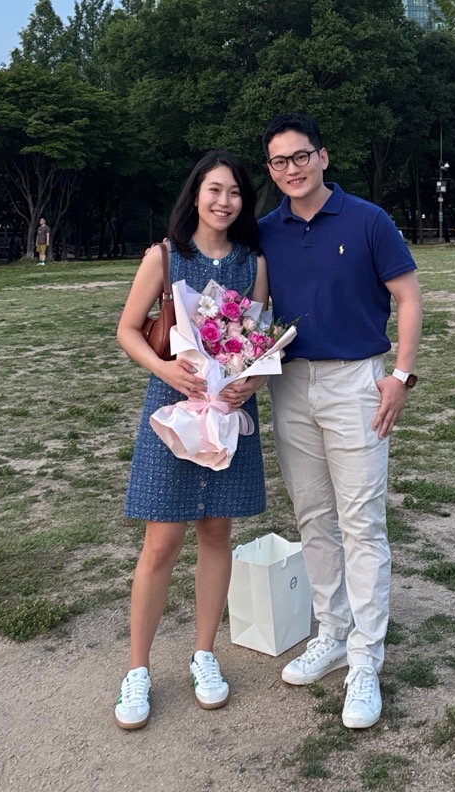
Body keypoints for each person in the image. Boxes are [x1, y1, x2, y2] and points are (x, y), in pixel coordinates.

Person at [259, 112, 422, 732]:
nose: (292, 170)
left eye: (301, 157)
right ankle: (330, 632)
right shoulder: (268, 230)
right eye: (279, 162)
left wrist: (400, 375)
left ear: (323, 157)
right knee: (313, 516)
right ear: (270, 170)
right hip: (290, 383)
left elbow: (407, 295)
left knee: (361, 520)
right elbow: (253, 307)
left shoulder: (367, 220)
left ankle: (365, 660)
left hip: (357, 379)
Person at [113, 151, 268, 732]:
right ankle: (138, 668)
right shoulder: (165, 255)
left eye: (235, 193)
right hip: (172, 412)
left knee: (217, 530)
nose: (224, 202)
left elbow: (257, 341)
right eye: (214, 190)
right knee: (161, 540)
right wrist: (165, 370)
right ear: (195, 195)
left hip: (228, 414)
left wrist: (249, 381)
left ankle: (205, 653)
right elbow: (127, 329)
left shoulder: (253, 262)